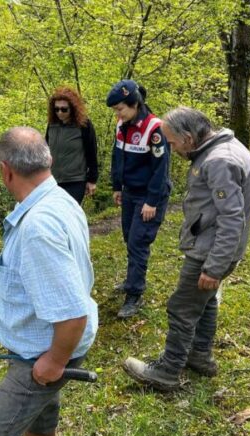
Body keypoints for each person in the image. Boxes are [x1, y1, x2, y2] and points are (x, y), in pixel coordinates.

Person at [0, 127, 98, 436]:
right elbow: (57, 267)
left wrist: (54, 361)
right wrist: (6, 270)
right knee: (40, 421)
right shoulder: (61, 200)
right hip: (47, 347)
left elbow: (72, 315)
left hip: (43, 353)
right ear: (49, 160)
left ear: (6, 171)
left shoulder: (37, 226)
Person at [122, 106, 250, 391]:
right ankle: (199, 357)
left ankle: (167, 370)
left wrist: (214, 266)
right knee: (205, 303)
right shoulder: (221, 149)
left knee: (182, 307)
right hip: (212, 246)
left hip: (210, 251)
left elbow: (232, 218)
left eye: (172, 142)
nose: (171, 149)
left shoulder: (219, 161)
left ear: (188, 136)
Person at [106, 80, 171, 318]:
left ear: (135, 104)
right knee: (128, 237)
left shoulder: (154, 129)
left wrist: (152, 202)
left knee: (138, 241)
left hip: (149, 194)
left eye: (121, 109)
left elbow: (161, 170)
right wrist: (117, 186)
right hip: (130, 192)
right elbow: (118, 156)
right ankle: (131, 280)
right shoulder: (122, 125)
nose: (118, 114)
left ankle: (134, 294)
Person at [44, 86, 99, 203]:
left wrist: (92, 180)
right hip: (52, 180)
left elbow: (92, 152)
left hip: (75, 181)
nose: (60, 112)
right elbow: (46, 149)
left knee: (68, 215)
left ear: (73, 108)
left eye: (64, 109)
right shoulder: (52, 125)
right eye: (56, 109)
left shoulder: (83, 125)